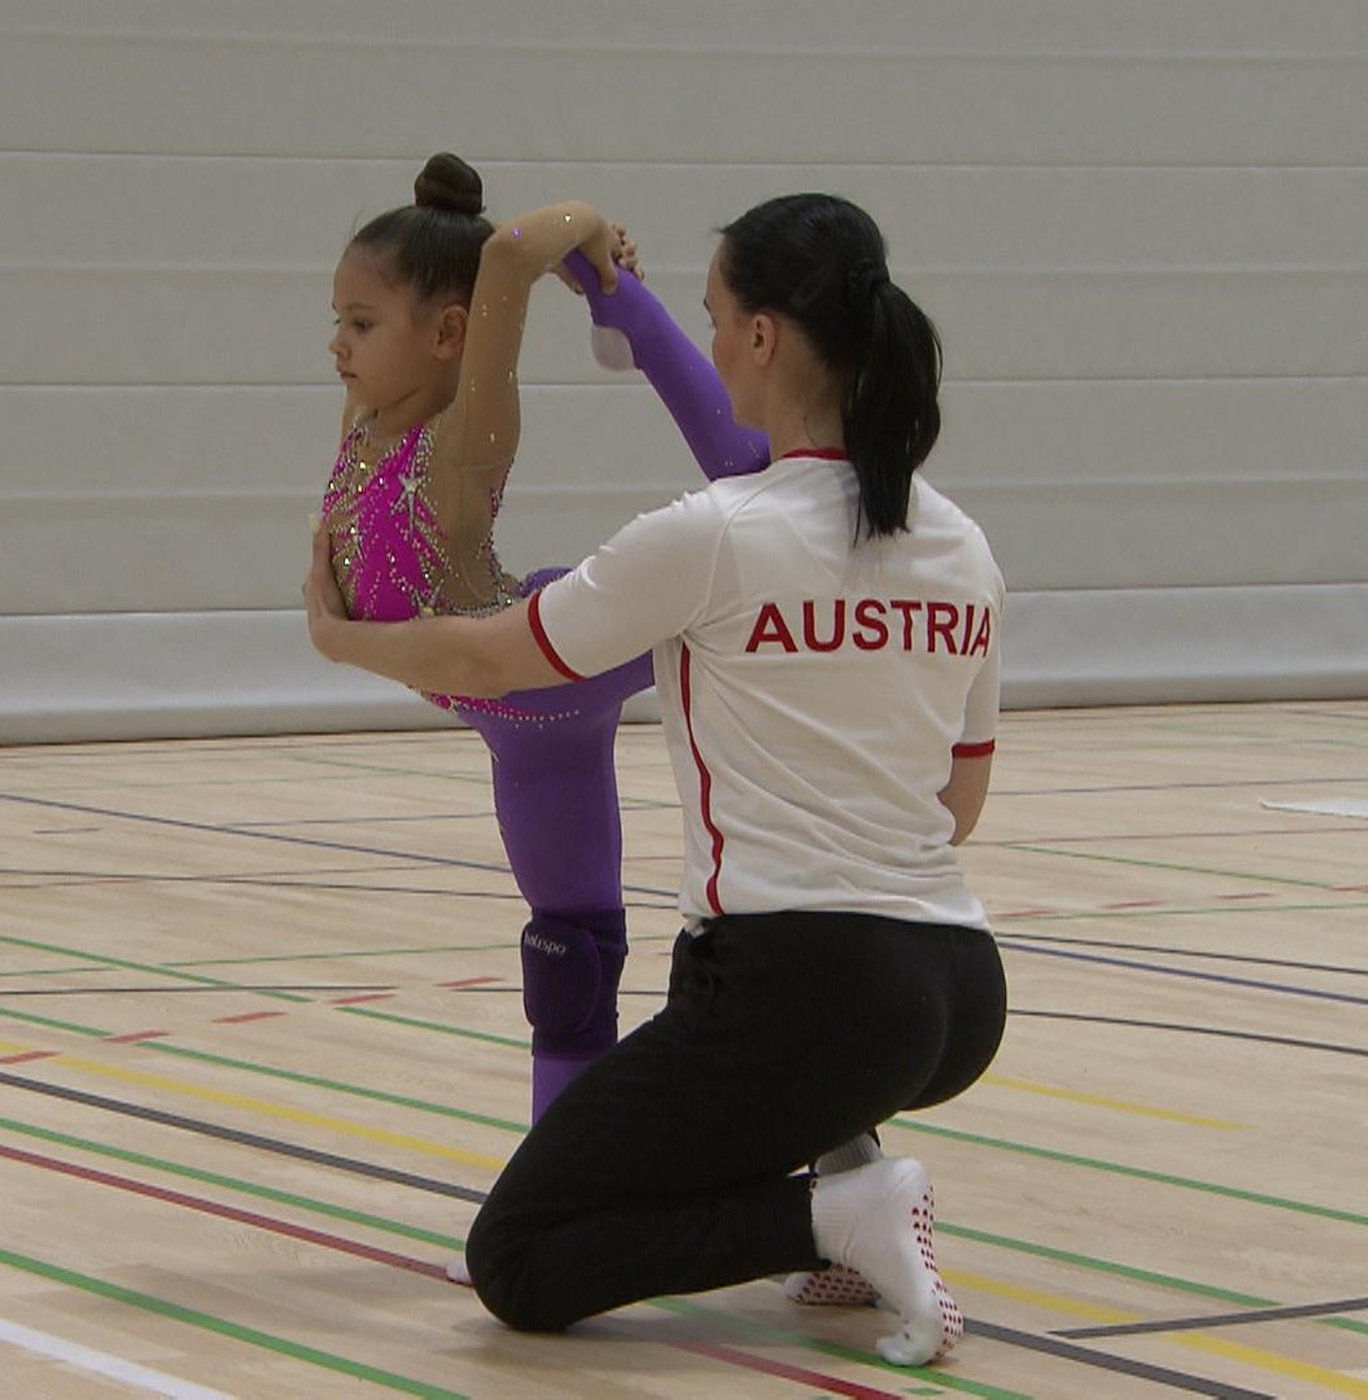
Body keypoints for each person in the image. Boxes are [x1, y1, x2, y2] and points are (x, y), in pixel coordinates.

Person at [305, 190, 1007, 1367]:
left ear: (765, 338)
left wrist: (343, 641)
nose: (713, 344)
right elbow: (958, 807)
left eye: (714, 318)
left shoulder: (714, 531)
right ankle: (844, 1167)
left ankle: (839, 1207)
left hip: (796, 991)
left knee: (519, 1255)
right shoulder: (959, 542)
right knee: (768, 1057)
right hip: (955, 994)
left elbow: (488, 650)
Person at [320, 154, 764, 1122]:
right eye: (336, 320)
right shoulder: (365, 425)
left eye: (360, 323)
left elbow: (517, 250)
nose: (337, 345)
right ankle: (558, 1198)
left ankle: (632, 317)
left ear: (446, 333)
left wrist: (590, 240)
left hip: (553, 661)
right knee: (565, 963)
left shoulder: (462, 439)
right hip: (516, 728)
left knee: (756, 479)